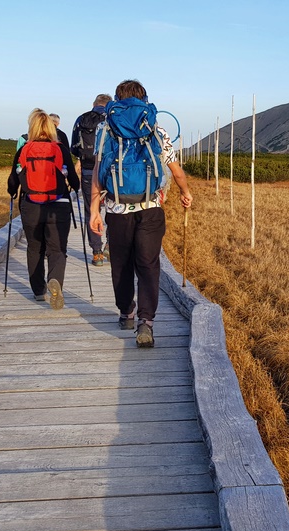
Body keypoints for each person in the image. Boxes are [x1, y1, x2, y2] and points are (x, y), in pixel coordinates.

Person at [89, 79, 193, 347]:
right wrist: (184, 191)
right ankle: (146, 323)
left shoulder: (105, 127)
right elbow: (173, 166)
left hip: (117, 208)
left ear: (117, 99)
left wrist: (94, 210)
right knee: (148, 265)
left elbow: (98, 172)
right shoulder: (155, 126)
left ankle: (126, 312)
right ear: (144, 98)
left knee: (121, 264)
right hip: (150, 207)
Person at [7, 109, 80, 309]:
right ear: (50, 127)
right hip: (59, 206)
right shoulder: (60, 149)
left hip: (31, 206)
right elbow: (74, 181)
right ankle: (55, 280)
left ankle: (39, 291)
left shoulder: (24, 150)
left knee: (34, 248)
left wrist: (13, 192)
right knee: (57, 249)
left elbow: (12, 182)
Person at [71, 94, 110, 266]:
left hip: (88, 171)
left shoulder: (81, 119)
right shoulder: (113, 118)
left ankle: (97, 253)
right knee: (113, 209)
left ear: (94, 104)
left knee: (91, 211)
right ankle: (110, 244)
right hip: (111, 171)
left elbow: (74, 148)